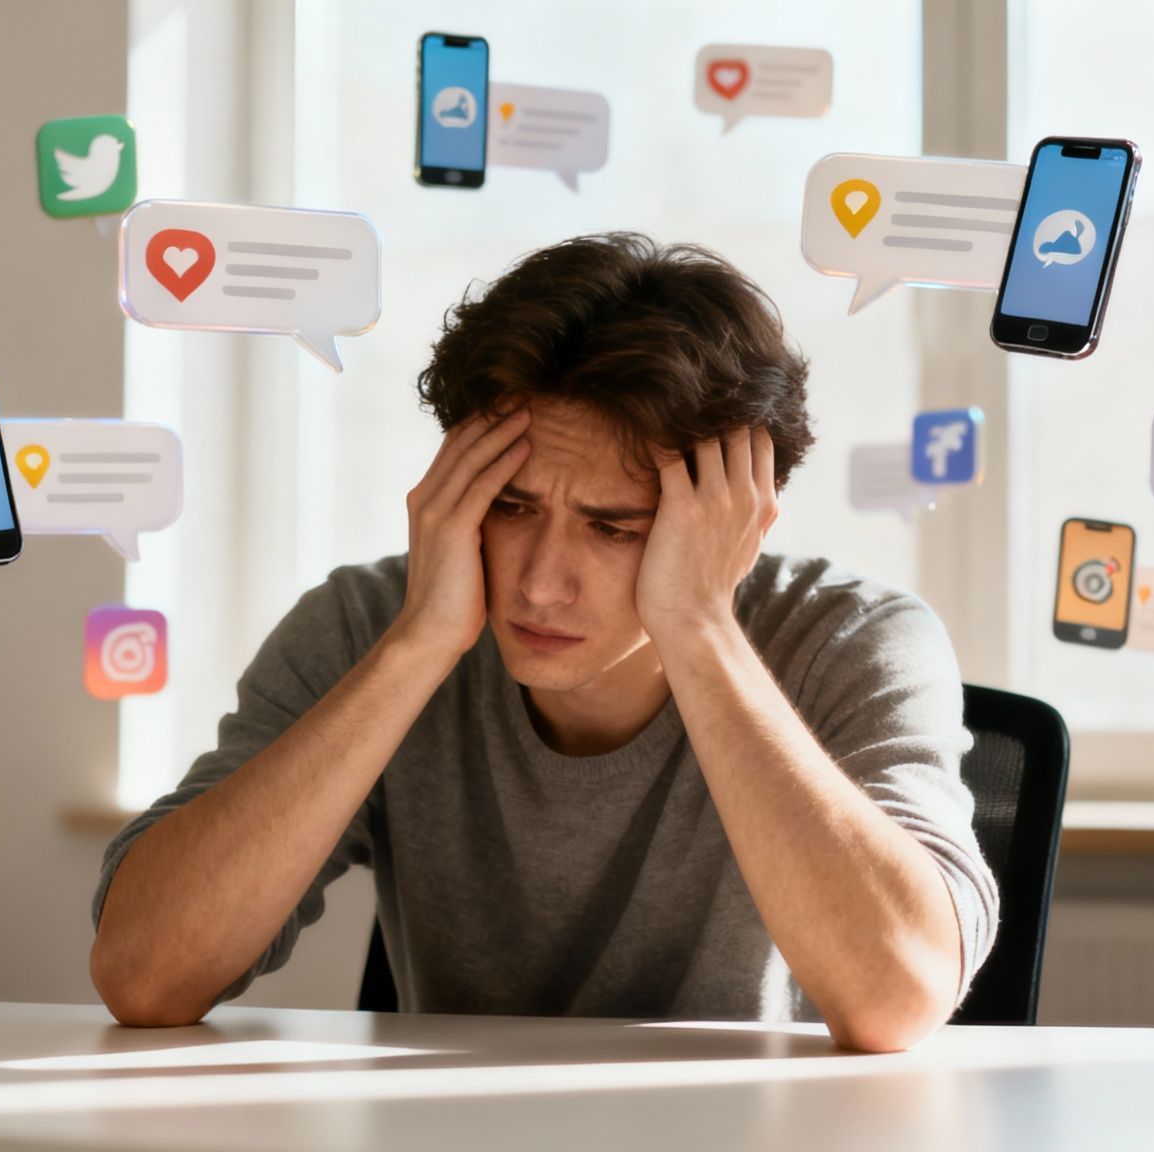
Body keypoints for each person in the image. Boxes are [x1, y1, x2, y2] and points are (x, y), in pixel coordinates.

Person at [90, 233, 996, 1053]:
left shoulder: (857, 638)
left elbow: (896, 999)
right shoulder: (371, 624)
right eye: (511, 507)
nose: (539, 582)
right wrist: (417, 648)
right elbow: (144, 977)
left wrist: (700, 626)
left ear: (735, 520)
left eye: (614, 528)